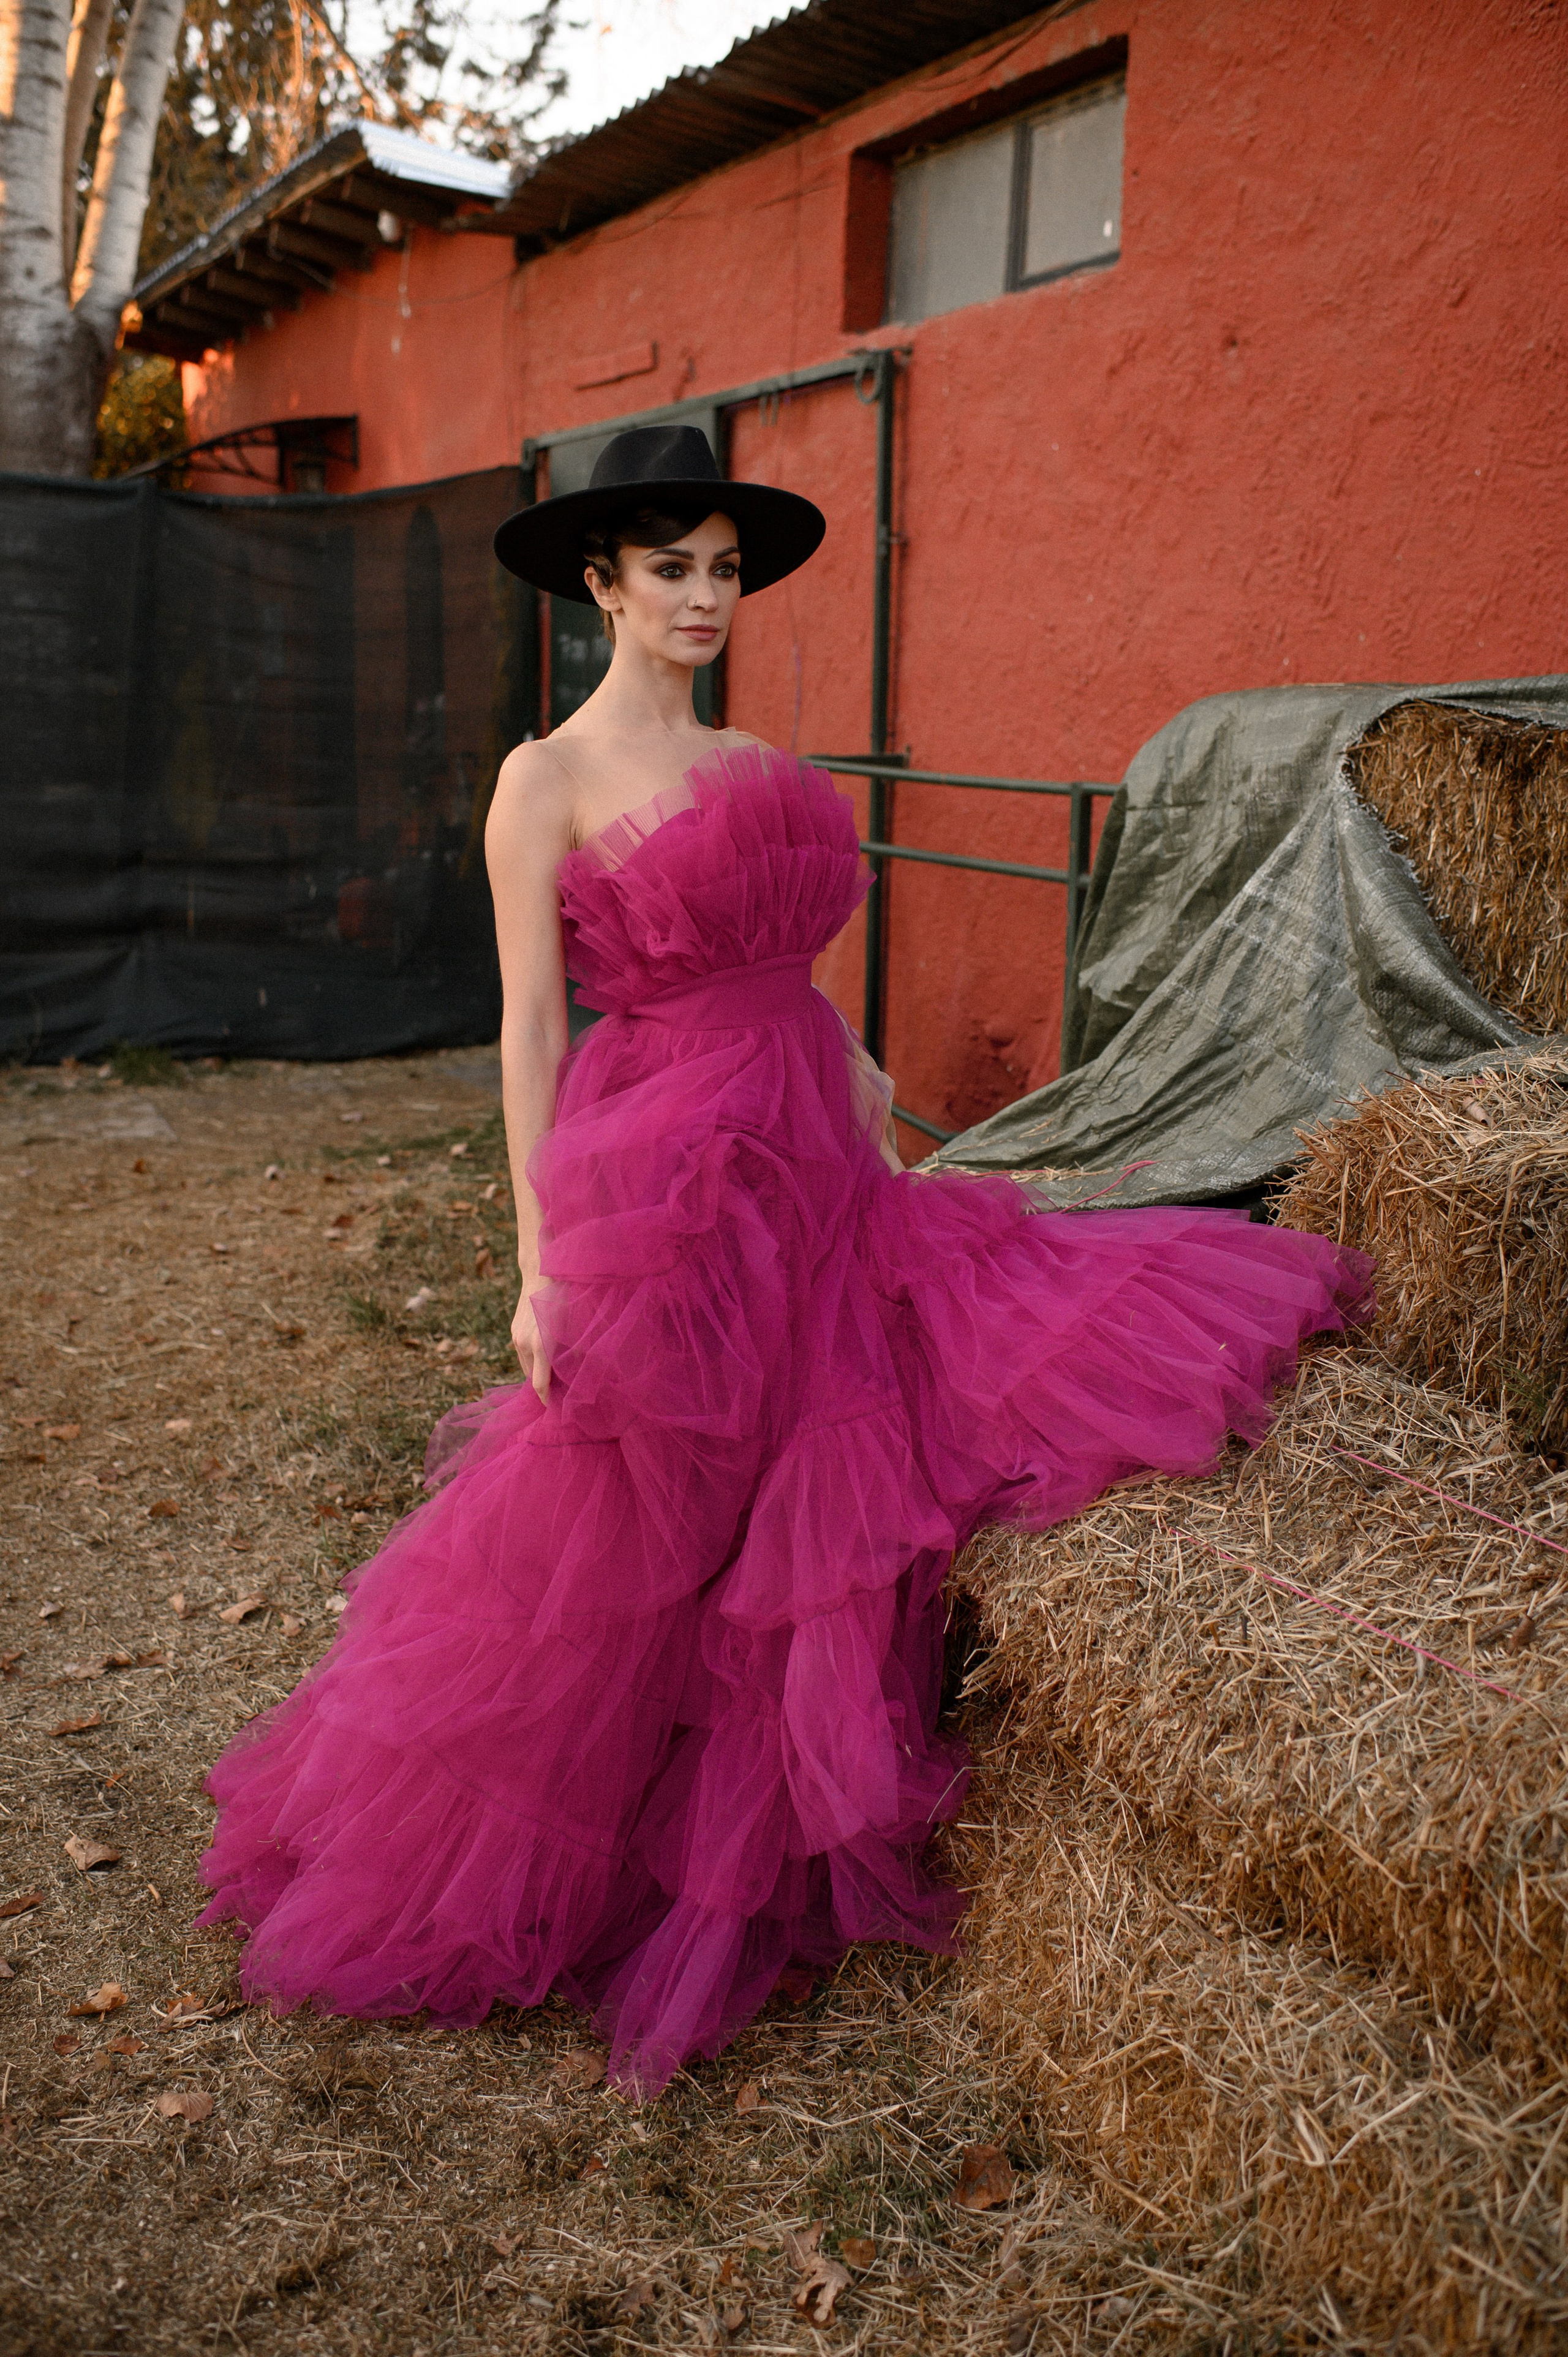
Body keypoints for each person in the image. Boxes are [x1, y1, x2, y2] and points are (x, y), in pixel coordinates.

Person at [197, 425, 1371, 2094]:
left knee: (832, 1444)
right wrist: (540, 1262)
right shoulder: (544, 780)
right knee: (643, 1489)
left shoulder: (750, 764)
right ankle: (610, 1848)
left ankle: (787, 1796)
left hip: (812, 1143)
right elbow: (532, 1030)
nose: (705, 595)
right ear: (601, 579)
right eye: (672, 565)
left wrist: (866, 1071)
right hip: (666, 1162)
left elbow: (782, 975)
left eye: (726, 569)